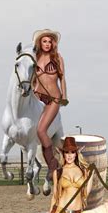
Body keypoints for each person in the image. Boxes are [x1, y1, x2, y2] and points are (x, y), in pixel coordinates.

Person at [32, 29, 68, 181]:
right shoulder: (34, 57)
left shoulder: (58, 58)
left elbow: (62, 78)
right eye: (44, 41)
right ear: (40, 43)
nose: (47, 44)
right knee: (32, 129)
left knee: (41, 130)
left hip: (53, 99)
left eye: (50, 41)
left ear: (53, 43)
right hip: (37, 97)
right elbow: (31, 78)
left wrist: (64, 96)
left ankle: (52, 167)